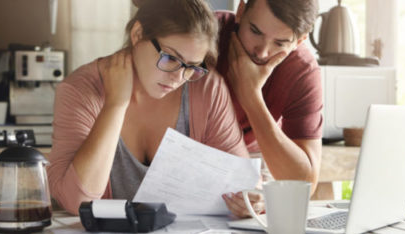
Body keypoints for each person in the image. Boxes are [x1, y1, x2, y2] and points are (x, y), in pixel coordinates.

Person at [47, 0, 260, 216]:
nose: (178, 78)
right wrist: (115, 105)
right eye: (169, 58)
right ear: (138, 34)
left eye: (192, 67)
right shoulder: (80, 90)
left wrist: (250, 201)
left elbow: (240, 183)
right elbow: (77, 201)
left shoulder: (206, 88)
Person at [216, 0, 323, 217]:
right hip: (189, 143)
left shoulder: (302, 70)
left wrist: (251, 96)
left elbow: (304, 185)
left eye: (280, 43)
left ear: (300, 41)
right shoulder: (207, 32)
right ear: (241, 12)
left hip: (256, 152)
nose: (263, 52)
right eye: (255, 31)